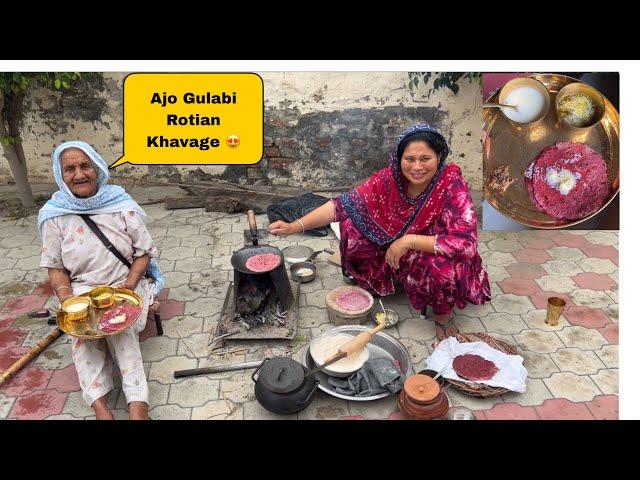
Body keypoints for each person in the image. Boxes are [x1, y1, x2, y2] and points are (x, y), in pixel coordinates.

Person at [269, 124, 490, 340]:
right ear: (399, 158)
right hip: (398, 243)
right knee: (353, 228)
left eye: (425, 159)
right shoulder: (389, 180)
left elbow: (466, 244)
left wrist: (409, 241)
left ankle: (442, 315)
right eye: (409, 159)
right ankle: (376, 281)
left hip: (433, 250)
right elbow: (342, 205)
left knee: (440, 269)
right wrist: (295, 226)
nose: (417, 167)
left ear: (439, 157)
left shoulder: (451, 185)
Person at [38, 141, 164, 420]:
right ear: (60, 175)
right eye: (69, 169)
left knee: (120, 329)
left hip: (125, 283)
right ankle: (100, 408)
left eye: (85, 166)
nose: (79, 174)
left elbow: (144, 254)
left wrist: (128, 287)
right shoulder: (54, 214)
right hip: (83, 290)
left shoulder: (120, 204)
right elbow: (55, 267)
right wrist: (68, 300)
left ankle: (137, 406)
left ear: (97, 168)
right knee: (81, 338)